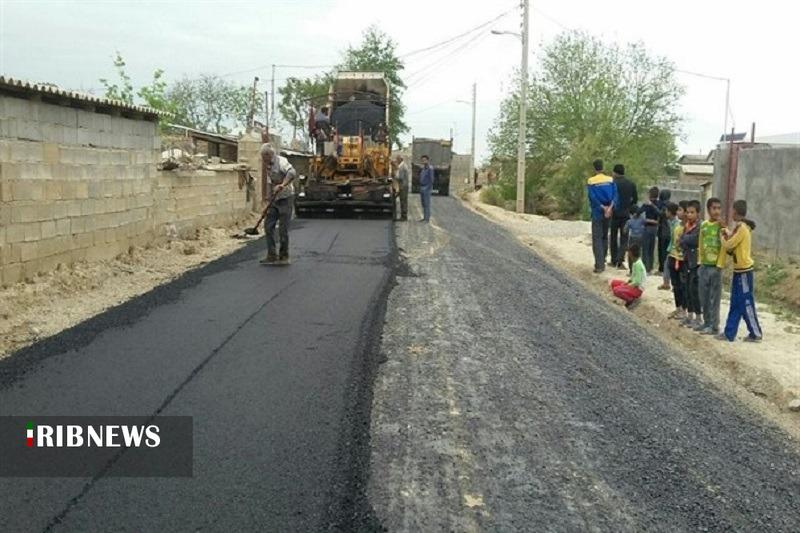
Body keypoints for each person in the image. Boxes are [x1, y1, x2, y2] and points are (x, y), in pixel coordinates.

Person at [719, 200, 762, 342]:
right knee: (735, 302)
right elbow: (733, 240)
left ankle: (756, 333)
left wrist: (722, 237)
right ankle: (729, 333)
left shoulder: (742, 228)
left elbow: (729, 243)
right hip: (739, 271)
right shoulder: (739, 228)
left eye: (732, 210)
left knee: (746, 302)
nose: (731, 213)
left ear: (736, 212)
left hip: (744, 271)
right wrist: (726, 231)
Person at [259, 144, 297, 266]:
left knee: (282, 229)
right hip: (275, 199)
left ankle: (284, 256)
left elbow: (292, 173)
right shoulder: (268, 165)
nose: (263, 160)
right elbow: (270, 183)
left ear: (268, 155)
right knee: (268, 226)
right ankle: (271, 255)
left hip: (286, 198)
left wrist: (283, 185)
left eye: (263, 157)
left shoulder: (281, 161)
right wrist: (267, 202)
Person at [696, 197, 726, 335]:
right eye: (714, 208)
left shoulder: (722, 226)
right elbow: (701, 244)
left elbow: (725, 246)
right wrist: (700, 261)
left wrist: (720, 264)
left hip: (716, 267)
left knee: (715, 297)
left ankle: (714, 325)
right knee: (704, 296)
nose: (717, 211)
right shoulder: (704, 225)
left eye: (719, 208)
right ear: (708, 210)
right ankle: (706, 322)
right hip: (704, 265)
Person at [586, 159, 618, 273]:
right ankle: (603, 259)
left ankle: (599, 265)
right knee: (605, 236)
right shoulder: (610, 180)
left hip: (597, 211)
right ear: (603, 167)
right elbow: (615, 195)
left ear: (594, 168)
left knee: (597, 238)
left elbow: (592, 197)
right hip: (609, 211)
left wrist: (602, 207)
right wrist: (609, 208)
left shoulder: (591, 181)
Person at [609, 164, 638, 269]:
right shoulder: (631, 184)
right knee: (624, 238)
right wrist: (629, 208)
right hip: (626, 214)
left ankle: (613, 260)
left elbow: (610, 198)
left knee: (613, 237)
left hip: (615, 213)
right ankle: (620, 261)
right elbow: (635, 199)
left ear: (615, 172)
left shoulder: (613, 183)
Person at [679, 199, 702, 328]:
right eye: (687, 212)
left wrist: (684, 239)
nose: (689, 215)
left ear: (698, 213)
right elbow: (681, 241)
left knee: (694, 290)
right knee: (686, 288)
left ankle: (698, 317)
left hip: (696, 261)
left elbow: (694, 240)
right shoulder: (687, 225)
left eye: (692, 212)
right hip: (686, 259)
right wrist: (684, 240)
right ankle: (689, 315)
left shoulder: (700, 226)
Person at [609, 243, 646, 310]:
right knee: (614, 283)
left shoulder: (638, 265)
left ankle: (631, 300)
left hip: (637, 289)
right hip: (634, 285)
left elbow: (637, 282)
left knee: (616, 290)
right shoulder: (636, 263)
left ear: (631, 254)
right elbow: (633, 277)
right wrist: (627, 283)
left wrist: (627, 286)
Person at [665, 202, 687, 319]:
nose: (678, 212)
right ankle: (678, 308)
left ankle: (684, 310)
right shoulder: (677, 226)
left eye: (680, 210)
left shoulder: (687, 228)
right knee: (675, 285)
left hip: (682, 259)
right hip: (673, 257)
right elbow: (674, 242)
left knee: (682, 286)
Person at [658, 201, 680, 290]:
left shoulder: (677, 223)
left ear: (670, 212)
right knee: (667, 264)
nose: (665, 212)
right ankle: (666, 283)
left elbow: (676, 238)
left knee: (673, 266)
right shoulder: (671, 222)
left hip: (676, 249)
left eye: (667, 211)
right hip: (672, 248)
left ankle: (670, 284)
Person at [640, 187, 661, 272]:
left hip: (647, 227)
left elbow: (638, 212)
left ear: (649, 194)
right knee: (651, 249)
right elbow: (660, 213)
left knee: (645, 248)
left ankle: (645, 267)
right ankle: (651, 267)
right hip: (655, 228)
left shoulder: (647, 204)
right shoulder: (659, 203)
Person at [657, 189, 672, 273]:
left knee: (661, 251)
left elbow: (660, 214)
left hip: (662, 231)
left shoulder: (662, 205)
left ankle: (662, 268)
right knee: (667, 252)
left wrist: (652, 205)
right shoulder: (671, 205)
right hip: (669, 231)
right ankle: (666, 268)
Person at [418, 155, 434, 222]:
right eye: (422, 160)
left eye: (424, 160)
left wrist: (428, 188)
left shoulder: (430, 169)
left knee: (427, 204)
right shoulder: (423, 168)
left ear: (427, 160)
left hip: (426, 188)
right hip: (422, 187)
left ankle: (427, 219)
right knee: (423, 204)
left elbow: (431, 179)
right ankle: (424, 218)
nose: (423, 161)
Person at [394, 154, 409, 221]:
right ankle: (403, 216)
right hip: (403, 186)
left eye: (397, 159)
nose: (396, 161)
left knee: (403, 201)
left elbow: (401, 177)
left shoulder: (402, 167)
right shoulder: (402, 166)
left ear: (400, 159)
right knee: (402, 201)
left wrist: (394, 176)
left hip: (403, 186)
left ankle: (404, 216)